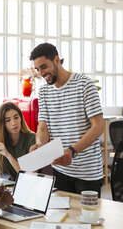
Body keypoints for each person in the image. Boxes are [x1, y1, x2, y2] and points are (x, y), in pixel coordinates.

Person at [29, 43, 104, 196]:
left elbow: (98, 126)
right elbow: (43, 127)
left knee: (88, 218)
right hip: (60, 170)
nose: (41, 73)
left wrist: (72, 151)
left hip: (88, 172)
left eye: (44, 67)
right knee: (61, 217)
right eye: (37, 69)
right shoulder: (44, 91)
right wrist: (39, 145)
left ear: (56, 60)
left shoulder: (84, 84)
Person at [0, 102, 35, 180]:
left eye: (16, 117)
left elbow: (29, 177)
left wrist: (8, 155)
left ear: (21, 118)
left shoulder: (32, 138)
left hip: (32, 185)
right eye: (7, 120)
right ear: (2, 123)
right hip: (12, 184)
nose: (14, 123)